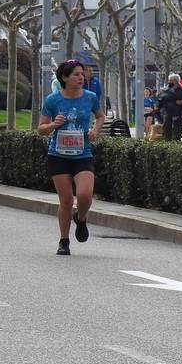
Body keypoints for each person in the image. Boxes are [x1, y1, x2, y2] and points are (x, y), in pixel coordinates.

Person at [38, 59, 105, 255]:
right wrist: (52, 125)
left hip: (82, 154)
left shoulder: (90, 97)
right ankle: (64, 241)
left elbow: (100, 116)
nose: (81, 77)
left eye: (82, 74)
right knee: (66, 200)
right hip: (58, 155)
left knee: (84, 195)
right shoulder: (53, 100)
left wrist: (95, 130)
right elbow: (40, 129)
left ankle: (81, 218)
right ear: (64, 77)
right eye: (76, 74)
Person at [157, 73, 182, 141]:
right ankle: (168, 142)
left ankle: (176, 142)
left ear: (176, 81)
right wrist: (157, 108)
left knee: (177, 130)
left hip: (178, 113)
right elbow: (160, 100)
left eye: (171, 80)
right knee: (167, 129)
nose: (169, 82)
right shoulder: (165, 90)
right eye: (169, 80)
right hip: (167, 112)